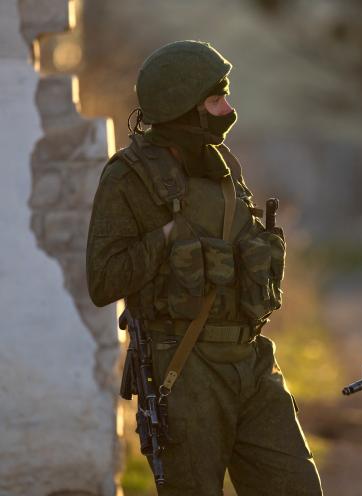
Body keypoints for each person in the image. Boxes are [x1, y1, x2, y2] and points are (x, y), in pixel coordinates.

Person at [86, 40, 323, 496]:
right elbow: (103, 280)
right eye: (216, 99)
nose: (228, 109)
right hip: (182, 365)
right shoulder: (128, 177)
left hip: (251, 359)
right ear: (183, 108)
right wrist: (166, 238)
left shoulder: (222, 165)